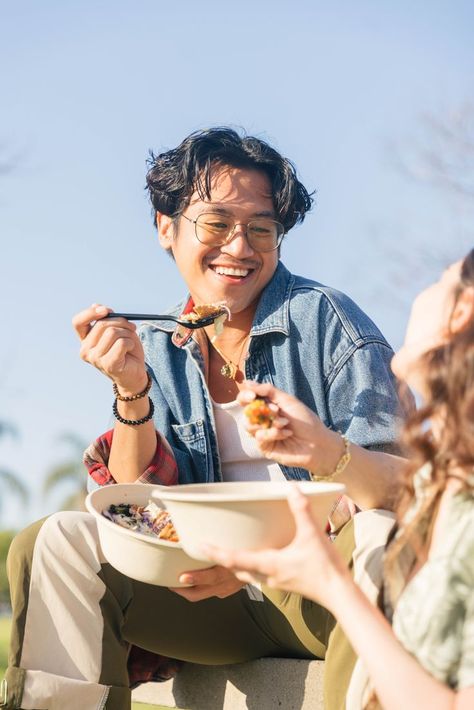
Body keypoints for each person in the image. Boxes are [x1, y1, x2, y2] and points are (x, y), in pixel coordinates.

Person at [5, 127, 410, 710]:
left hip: (323, 591)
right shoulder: (157, 346)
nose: (240, 248)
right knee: (56, 541)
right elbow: (133, 507)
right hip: (207, 599)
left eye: (262, 229)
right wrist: (131, 389)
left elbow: (399, 488)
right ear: (166, 227)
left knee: (379, 533)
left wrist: (256, 564)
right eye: (216, 223)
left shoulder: (329, 323)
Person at [203, 249, 474, 709]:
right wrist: (321, 447)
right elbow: (405, 488)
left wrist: (332, 586)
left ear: (461, 311)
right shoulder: (452, 476)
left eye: (442, 278)